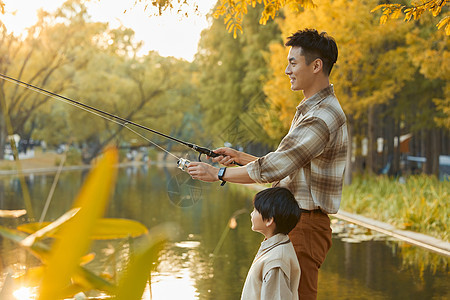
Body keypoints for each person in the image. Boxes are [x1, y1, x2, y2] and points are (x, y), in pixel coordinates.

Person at [187, 28, 348, 300]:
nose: (287, 70)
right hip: (296, 223)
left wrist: (219, 174)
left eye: (293, 62)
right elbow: (288, 168)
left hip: (304, 226)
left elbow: (277, 167)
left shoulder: (322, 116)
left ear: (316, 65)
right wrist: (240, 157)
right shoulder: (311, 110)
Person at [241, 187, 301, 300]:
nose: (251, 214)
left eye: (255, 210)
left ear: (269, 220)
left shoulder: (276, 262)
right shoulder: (276, 246)